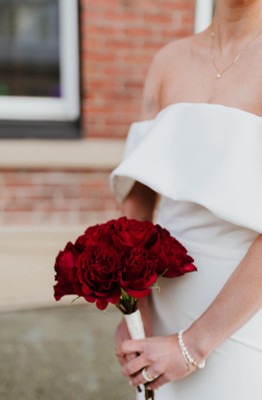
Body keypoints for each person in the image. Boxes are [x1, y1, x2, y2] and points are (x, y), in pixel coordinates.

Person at [110, 0, 262, 398]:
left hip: (241, 318)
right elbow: (139, 200)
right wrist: (136, 309)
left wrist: (192, 345)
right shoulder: (168, 62)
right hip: (159, 309)